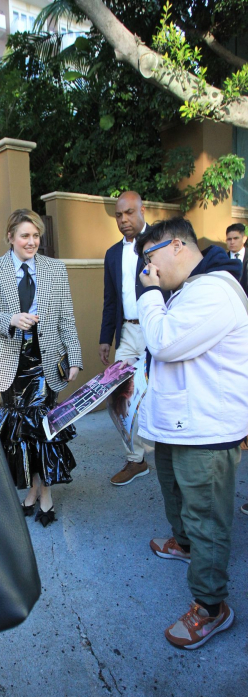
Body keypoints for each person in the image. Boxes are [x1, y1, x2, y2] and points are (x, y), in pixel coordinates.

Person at [135, 217, 248, 649]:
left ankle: (211, 606)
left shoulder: (215, 291)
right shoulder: (190, 290)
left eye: (151, 257)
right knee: (176, 495)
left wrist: (147, 295)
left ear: (177, 246)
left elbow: (164, 341)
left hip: (205, 430)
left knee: (207, 519)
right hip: (181, 425)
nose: (149, 268)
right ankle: (183, 544)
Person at [0, 208, 82, 527]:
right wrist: (10, 319)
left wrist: (75, 357)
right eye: (25, 235)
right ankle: (33, 486)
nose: (32, 241)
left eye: (36, 235)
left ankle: (45, 491)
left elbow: (66, 316)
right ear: (10, 238)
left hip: (45, 361)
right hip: (11, 361)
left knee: (42, 428)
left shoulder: (55, 269)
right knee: (21, 432)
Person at [99, 191, 150, 486]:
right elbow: (110, 299)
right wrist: (106, 337)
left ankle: (174, 454)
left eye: (129, 213)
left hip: (157, 330)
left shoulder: (160, 242)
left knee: (158, 395)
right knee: (119, 397)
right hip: (127, 334)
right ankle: (136, 459)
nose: (123, 220)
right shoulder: (112, 253)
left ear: (142, 210)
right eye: (119, 215)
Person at [226, 222, 247, 295]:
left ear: (244, 239)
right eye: (229, 239)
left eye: (236, 238)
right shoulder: (222, 260)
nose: (232, 242)